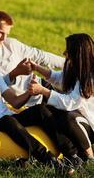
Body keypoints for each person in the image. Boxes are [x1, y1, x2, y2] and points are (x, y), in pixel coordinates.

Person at [0, 38, 83, 174]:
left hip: (11, 117)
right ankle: (49, 160)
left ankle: (71, 154)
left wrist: (30, 92)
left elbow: (15, 102)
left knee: (40, 109)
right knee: (8, 120)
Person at [28, 33, 94, 161]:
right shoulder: (75, 66)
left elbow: (71, 103)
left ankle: (90, 156)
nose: (64, 53)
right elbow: (60, 78)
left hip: (89, 124)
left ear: (78, 54)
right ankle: (72, 153)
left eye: (68, 51)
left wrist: (43, 91)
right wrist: (36, 67)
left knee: (68, 117)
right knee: (45, 110)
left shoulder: (90, 77)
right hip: (77, 116)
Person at [0, 11, 65, 107]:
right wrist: (14, 73)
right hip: (24, 103)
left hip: (42, 88)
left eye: (7, 34)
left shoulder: (11, 44)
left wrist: (69, 64)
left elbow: (40, 56)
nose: (3, 38)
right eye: (0, 33)